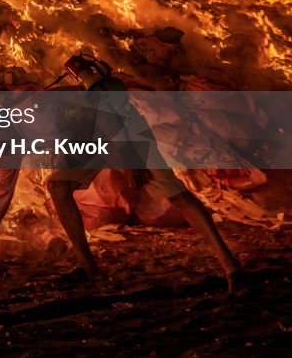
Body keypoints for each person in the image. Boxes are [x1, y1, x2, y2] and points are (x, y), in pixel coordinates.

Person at [46, 54, 244, 293]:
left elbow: (113, 125)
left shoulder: (99, 93)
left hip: (131, 137)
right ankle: (89, 268)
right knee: (58, 186)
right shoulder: (70, 96)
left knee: (176, 195)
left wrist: (131, 163)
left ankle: (229, 263)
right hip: (96, 139)